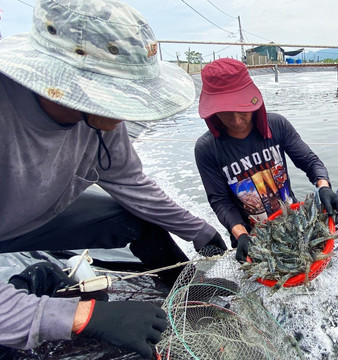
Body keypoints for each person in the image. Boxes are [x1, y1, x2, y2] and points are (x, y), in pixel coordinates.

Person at [0, 0, 227, 358]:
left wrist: (200, 232)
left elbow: (130, 183)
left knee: (139, 219)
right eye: (116, 93)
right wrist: (84, 316)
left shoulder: (102, 119)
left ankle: (185, 299)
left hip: (36, 216)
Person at [194, 58, 338, 263]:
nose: (237, 121)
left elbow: (309, 161)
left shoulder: (277, 125)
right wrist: (241, 235)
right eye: (226, 113)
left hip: (293, 224)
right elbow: (220, 201)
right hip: (252, 239)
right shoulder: (206, 149)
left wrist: (324, 186)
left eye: (242, 109)